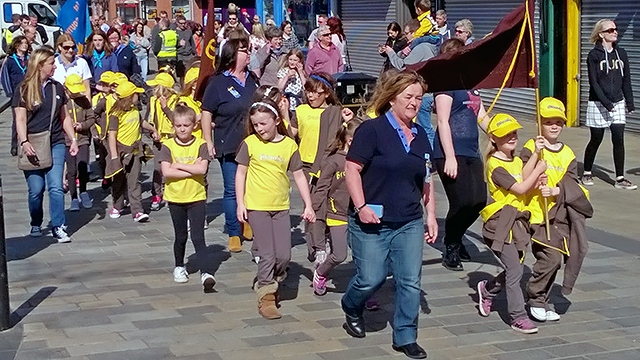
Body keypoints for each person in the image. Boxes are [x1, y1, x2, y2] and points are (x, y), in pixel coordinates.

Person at [341, 71, 437, 359]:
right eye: (408, 97)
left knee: (409, 281)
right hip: (371, 219)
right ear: (392, 97)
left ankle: (406, 336)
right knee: (372, 278)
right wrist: (361, 207)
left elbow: (427, 179)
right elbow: (351, 169)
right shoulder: (372, 131)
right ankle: (351, 304)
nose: (414, 103)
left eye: (418, 98)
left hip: (408, 220)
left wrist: (430, 215)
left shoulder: (421, 135)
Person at [235, 98, 315, 319]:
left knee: (284, 255)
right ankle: (266, 296)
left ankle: (269, 279)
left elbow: (298, 175)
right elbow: (240, 173)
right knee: (267, 254)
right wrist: (241, 203)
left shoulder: (289, 145)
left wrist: (308, 205)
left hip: (280, 207)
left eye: (264, 123)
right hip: (256, 206)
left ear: (276, 120)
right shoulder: (250, 143)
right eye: (256, 124)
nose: (260, 129)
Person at [520, 97, 593, 322]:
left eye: (558, 122)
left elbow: (573, 185)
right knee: (550, 258)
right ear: (539, 122)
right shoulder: (532, 147)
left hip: (558, 218)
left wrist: (556, 191)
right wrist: (535, 166)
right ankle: (535, 298)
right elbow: (522, 178)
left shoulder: (568, 154)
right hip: (535, 214)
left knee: (557, 259)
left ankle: (541, 298)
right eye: (548, 121)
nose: (553, 126)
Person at [476, 113, 546, 334]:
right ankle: (518, 316)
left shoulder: (514, 160)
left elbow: (524, 178)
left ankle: (487, 290)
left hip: (518, 224)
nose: (512, 137)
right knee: (515, 269)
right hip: (500, 225)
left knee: (513, 268)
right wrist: (538, 172)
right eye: (506, 135)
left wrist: (535, 155)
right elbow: (520, 188)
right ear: (494, 139)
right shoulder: (494, 165)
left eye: (514, 133)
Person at [434, 38, 490, 271]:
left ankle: (456, 236)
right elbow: (443, 121)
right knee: (461, 201)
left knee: (478, 201)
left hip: (471, 151)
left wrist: (500, 133)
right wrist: (449, 157)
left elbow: (482, 117)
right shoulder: (446, 84)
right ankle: (452, 245)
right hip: (450, 151)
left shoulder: (472, 85)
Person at [13, 47, 79, 242]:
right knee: (36, 190)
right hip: (32, 142)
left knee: (56, 186)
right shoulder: (23, 88)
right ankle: (36, 221)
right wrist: (24, 142)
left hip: (55, 141)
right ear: (40, 65)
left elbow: (64, 116)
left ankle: (58, 225)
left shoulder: (56, 88)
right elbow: (20, 119)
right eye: (51, 63)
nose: (55, 65)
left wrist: (73, 138)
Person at [201, 37, 258, 253]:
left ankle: (248, 222)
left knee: (251, 188)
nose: (248, 54)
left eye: (249, 50)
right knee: (232, 189)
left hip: (253, 143)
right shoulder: (218, 83)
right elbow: (206, 112)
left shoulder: (252, 78)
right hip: (229, 142)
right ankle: (234, 231)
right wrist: (208, 140)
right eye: (244, 51)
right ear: (233, 55)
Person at [290, 73, 354, 266]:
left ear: (326, 93)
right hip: (307, 166)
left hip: (330, 165)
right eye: (308, 91)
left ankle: (326, 240)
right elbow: (290, 135)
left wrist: (349, 118)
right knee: (313, 206)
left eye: (315, 92)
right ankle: (317, 246)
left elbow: (349, 133)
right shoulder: (301, 110)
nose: (311, 96)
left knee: (329, 204)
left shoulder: (336, 111)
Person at [156, 105, 216, 291]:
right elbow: (167, 172)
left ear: (193, 125)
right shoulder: (168, 145)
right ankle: (179, 266)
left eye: (186, 125)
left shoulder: (200, 145)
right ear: (173, 125)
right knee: (180, 235)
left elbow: (203, 170)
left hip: (196, 196)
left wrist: (179, 167)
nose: (182, 129)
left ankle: (206, 272)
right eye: (178, 125)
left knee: (198, 236)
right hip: (175, 198)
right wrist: (192, 169)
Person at [582, 18, 636, 190]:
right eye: (610, 30)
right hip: (599, 102)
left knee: (618, 138)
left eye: (615, 29)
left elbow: (626, 79)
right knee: (596, 139)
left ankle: (619, 178)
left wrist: (630, 102)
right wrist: (606, 103)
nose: (615, 32)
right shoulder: (594, 55)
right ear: (601, 34)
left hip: (618, 101)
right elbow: (594, 82)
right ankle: (587, 171)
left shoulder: (622, 53)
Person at [311, 117, 362, 296]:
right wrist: (313, 209)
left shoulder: (366, 160)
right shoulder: (334, 161)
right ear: (351, 140)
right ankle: (321, 272)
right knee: (340, 255)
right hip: (337, 214)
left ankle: (364, 291)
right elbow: (322, 187)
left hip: (360, 214)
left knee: (365, 256)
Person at [106, 81, 158, 221]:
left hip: (135, 150)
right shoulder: (115, 115)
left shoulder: (135, 110)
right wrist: (114, 156)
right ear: (129, 97)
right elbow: (112, 135)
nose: (138, 96)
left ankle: (137, 211)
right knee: (119, 180)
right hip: (120, 151)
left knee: (134, 181)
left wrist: (153, 129)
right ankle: (117, 205)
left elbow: (141, 123)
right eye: (136, 94)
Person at [146, 72, 180, 211]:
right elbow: (148, 118)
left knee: (171, 168)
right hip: (158, 140)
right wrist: (152, 132)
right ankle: (156, 193)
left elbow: (176, 119)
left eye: (157, 86)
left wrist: (165, 107)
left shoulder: (177, 101)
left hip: (172, 138)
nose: (154, 89)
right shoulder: (153, 100)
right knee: (157, 168)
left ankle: (169, 192)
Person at [63, 74, 95, 211]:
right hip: (67, 141)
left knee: (83, 166)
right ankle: (74, 197)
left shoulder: (84, 101)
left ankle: (83, 191)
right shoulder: (63, 102)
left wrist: (82, 125)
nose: (76, 93)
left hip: (83, 139)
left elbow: (91, 118)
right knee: (71, 170)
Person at [3, 36, 29, 156]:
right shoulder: (10, 60)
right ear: (17, 45)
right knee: (17, 119)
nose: (25, 45)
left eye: (26, 43)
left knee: (29, 118)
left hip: (29, 92)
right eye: (22, 43)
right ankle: (14, 144)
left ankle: (27, 140)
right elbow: (4, 77)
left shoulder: (30, 59)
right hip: (16, 94)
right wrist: (10, 93)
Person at [52, 34, 93, 100]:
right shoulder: (53, 63)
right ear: (59, 47)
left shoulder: (82, 62)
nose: (70, 50)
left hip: (79, 102)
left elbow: (87, 89)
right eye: (66, 47)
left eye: (73, 47)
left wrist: (88, 108)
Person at [277, 48, 306, 114]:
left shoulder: (302, 72)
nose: (292, 62)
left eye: (295, 60)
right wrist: (287, 76)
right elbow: (279, 88)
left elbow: (305, 87)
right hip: (287, 102)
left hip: (299, 102)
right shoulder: (283, 71)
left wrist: (301, 73)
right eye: (290, 59)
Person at [175, 15, 195, 82]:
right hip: (180, 55)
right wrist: (178, 44)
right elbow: (172, 45)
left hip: (189, 55)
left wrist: (194, 53)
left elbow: (192, 43)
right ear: (177, 23)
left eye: (184, 23)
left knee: (190, 73)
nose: (183, 25)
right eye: (181, 23)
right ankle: (183, 89)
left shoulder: (188, 31)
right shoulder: (174, 32)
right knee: (182, 75)